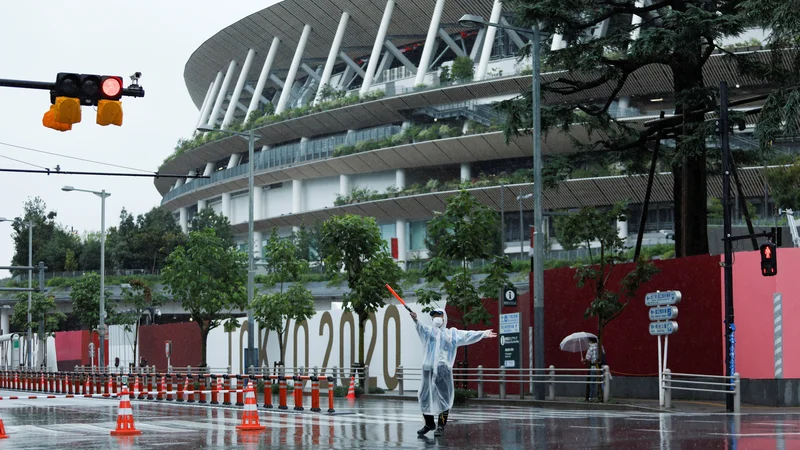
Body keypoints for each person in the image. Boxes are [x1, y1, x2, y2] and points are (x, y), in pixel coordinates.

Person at [409, 308, 497, 437]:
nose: (436, 318)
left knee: (443, 399)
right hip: (428, 371)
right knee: (424, 397)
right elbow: (420, 327)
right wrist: (415, 319)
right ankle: (429, 424)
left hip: (443, 372)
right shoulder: (428, 332)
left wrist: (483, 333)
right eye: (434, 316)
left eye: (439, 315)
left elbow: (467, 335)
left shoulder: (452, 334)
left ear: (444, 317)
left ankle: (440, 426)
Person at [582, 337, 599, 401]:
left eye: (589, 341)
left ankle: (590, 397)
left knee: (592, 383)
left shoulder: (591, 348)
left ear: (591, 341)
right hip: (600, 367)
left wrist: (583, 360)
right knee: (602, 382)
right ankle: (602, 396)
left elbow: (588, 359)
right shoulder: (600, 347)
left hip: (593, 367)